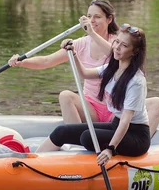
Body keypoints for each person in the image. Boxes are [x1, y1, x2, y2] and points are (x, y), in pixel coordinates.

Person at [7, 0, 159, 137]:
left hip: (117, 110)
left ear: (109, 19)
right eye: (89, 16)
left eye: (97, 17)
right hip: (91, 108)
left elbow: (112, 55)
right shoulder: (80, 44)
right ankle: (75, 140)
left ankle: (145, 146)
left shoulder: (119, 43)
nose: (91, 20)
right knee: (65, 96)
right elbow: (47, 61)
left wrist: (92, 33)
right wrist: (21, 62)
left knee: (157, 102)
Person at [37, 24, 151, 164]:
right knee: (62, 131)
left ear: (134, 51)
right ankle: (32, 161)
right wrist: (73, 54)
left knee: (87, 137)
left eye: (124, 45)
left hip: (136, 136)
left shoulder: (136, 81)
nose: (117, 47)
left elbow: (126, 120)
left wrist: (110, 149)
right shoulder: (112, 68)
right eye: (116, 42)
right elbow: (84, 74)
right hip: (115, 124)